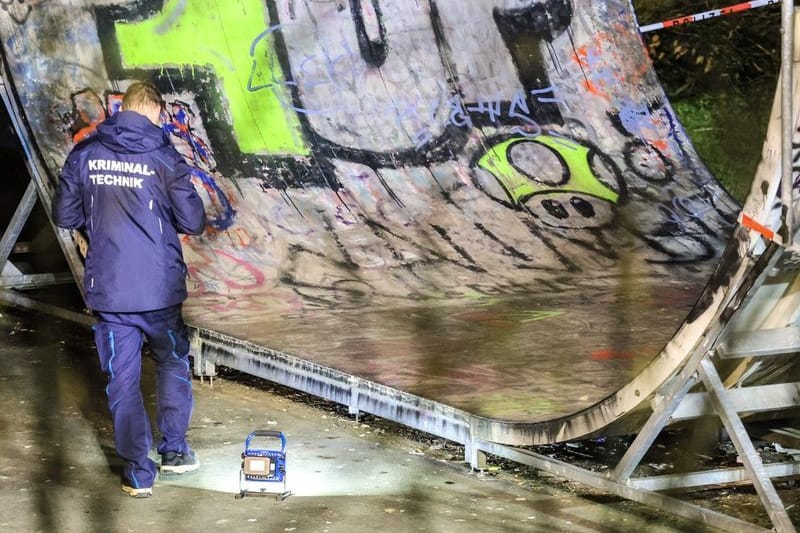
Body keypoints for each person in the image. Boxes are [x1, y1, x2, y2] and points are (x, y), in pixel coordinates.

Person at [53, 81, 206, 498]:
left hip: (112, 293)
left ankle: (139, 474)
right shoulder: (164, 158)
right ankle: (174, 453)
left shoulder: (84, 154)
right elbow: (193, 221)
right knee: (172, 363)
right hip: (159, 293)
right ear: (154, 112)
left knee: (121, 380)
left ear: (123, 110)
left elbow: (64, 215)